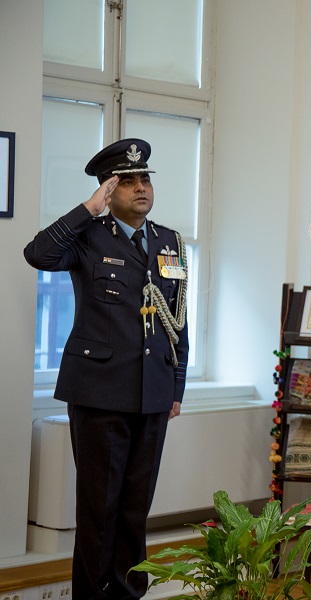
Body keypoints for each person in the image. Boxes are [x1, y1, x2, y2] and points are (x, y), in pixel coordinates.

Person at [24, 139, 189, 600]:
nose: (142, 187)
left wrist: (176, 386)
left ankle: (127, 595)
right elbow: (37, 254)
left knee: (137, 510)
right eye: (129, 181)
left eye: (146, 179)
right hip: (98, 394)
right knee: (100, 509)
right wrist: (86, 209)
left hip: (153, 393)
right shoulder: (88, 237)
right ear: (108, 189)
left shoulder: (168, 241)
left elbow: (178, 319)